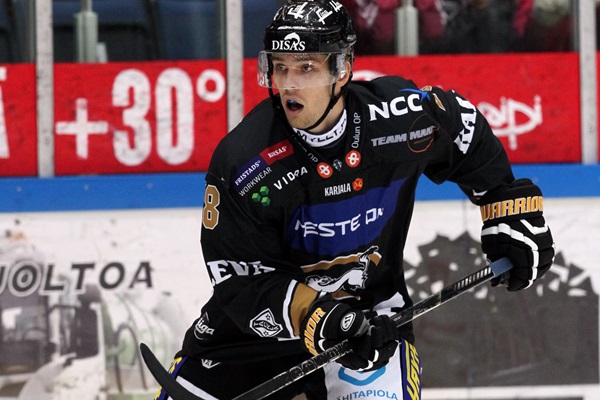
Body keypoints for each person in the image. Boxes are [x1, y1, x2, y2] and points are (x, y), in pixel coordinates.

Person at [154, 1, 555, 399]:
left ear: (342, 69)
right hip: (252, 335)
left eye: (306, 67)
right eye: (280, 67)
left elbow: (464, 128)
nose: (289, 83)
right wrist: (315, 316)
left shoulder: (397, 118)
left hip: (367, 325)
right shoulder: (246, 162)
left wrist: (508, 208)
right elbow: (241, 280)